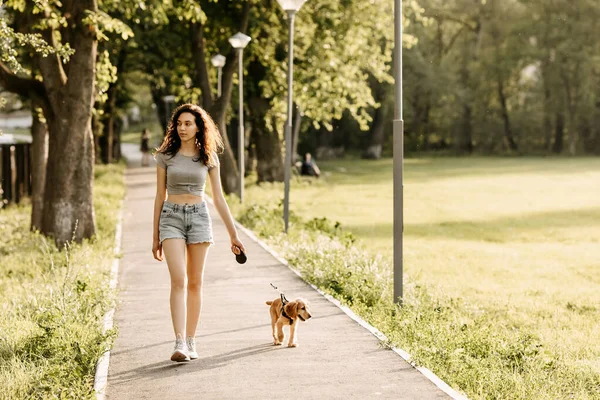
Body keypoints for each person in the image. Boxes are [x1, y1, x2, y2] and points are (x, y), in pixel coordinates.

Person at [152, 103, 246, 362]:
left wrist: (233, 234)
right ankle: (179, 341)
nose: (182, 128)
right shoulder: (165, 156)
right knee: (178, 280)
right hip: (170, 217)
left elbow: (218, 198)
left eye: (188, 124)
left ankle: (191, 341)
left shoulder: (208, 157)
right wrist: (154, 236)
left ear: (198, 127)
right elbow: (160, 196)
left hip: (199, 218)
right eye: (179, 124)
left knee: (195, 282)